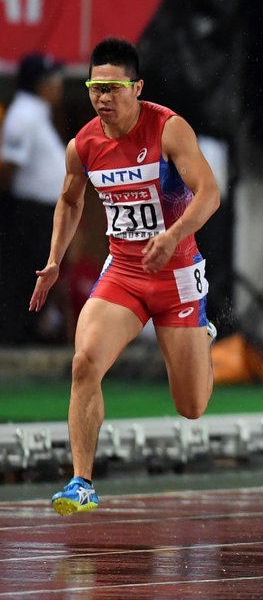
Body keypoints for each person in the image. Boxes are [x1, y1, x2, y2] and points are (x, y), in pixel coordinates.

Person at [29, 38, 222, 516]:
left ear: (137, 87)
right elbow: (71, 200)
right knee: (84, 362)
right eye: (96, 87)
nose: (103, 98)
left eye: (114, 88)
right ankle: (81, 482)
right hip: (124, 274)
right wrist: (55, 259)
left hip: (176, 274)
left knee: (192, 406)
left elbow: (209, 193)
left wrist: (172, 235)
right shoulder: (84, 144)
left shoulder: (169, 130)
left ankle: (202, 334)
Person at [2, 53, 67, 344]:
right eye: (54, 80)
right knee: (27, 277)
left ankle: (28, 331)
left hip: (43, 212)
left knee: (40, 275)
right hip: (29, 212)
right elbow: (7, 168)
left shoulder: (37, 112)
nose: (59, 86)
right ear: (41, 84)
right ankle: (16, 337)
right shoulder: (24, 115)